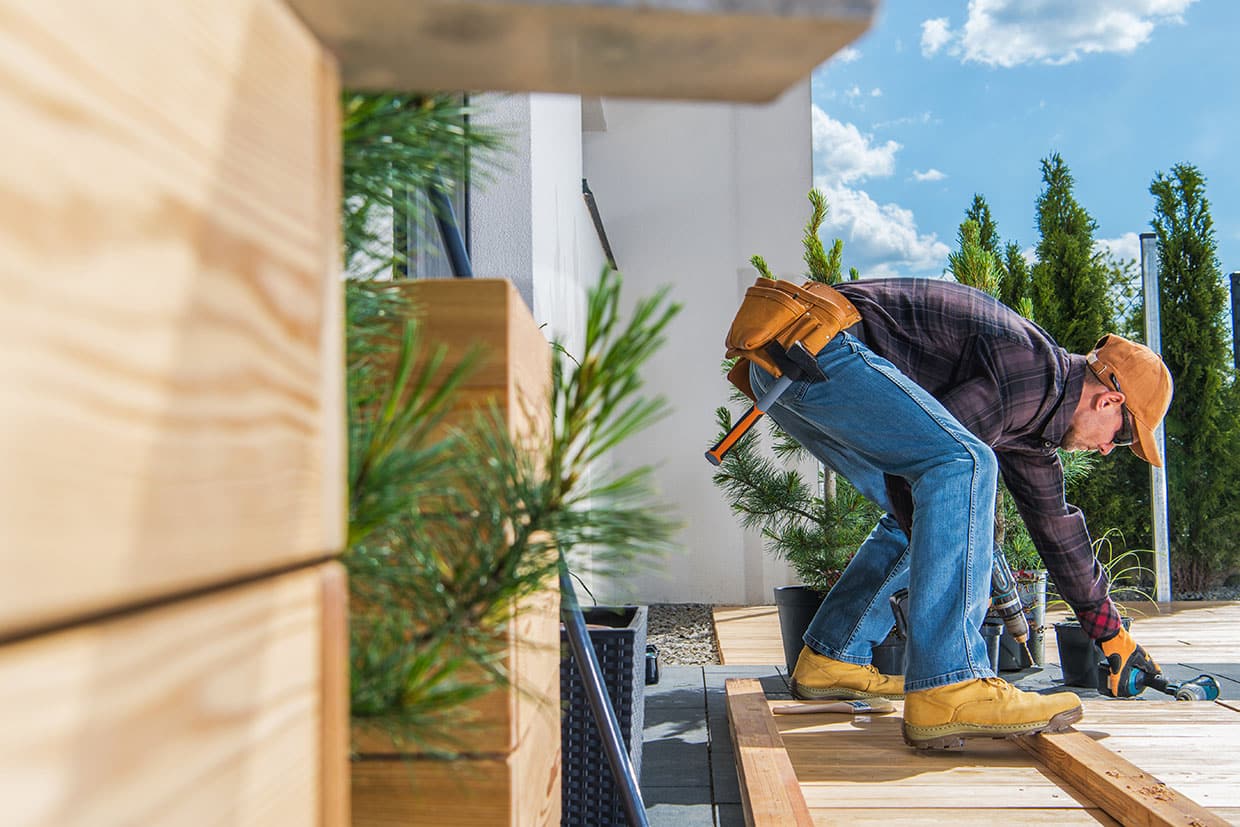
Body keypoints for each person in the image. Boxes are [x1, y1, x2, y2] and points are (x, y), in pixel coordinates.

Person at [743, 277, 1173, 750]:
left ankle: (833, 657)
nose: (1111, 448)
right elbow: (947, 468)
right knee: (959, 469)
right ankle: (949, 682)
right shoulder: (1029, 370)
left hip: (792, 361)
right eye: (1125, 434)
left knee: (943, 500)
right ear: (1109, 400)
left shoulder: (1036, 415)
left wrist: (1110, 633)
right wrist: (971, 570)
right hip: (817, 350)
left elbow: (1056, 525)